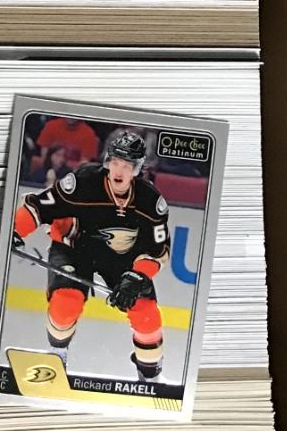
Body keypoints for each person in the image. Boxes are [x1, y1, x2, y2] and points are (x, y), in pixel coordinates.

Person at [11, 126, 171, 383]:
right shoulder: (83, 182)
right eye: (115, 162)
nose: (119, 170)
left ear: (137, 169)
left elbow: (157, 251)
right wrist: (16, 229)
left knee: (147, 316)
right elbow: (41, 206)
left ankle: (150, 376)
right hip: (74, 249)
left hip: (122, 259)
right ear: (108, 161)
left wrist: (136, 276)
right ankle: (57, 355)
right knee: (65, 303)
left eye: (126, 166)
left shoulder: (150, 202)